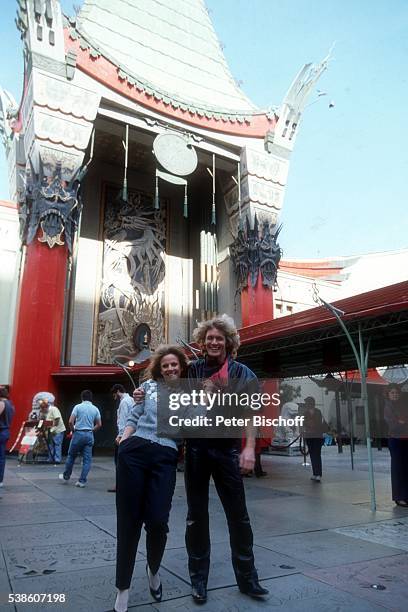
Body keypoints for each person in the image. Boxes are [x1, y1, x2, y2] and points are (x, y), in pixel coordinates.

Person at [185, 314, 269, 603]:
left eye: (219, 338)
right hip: (195, 449)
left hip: (226, 450)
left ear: (228, 342)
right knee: (196, 517)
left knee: (239, 517)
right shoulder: (192, 369)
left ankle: (248, 579)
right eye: (209, 338)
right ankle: (198, 580)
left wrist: (248, 448)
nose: (213, 341)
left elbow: (250, 414)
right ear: (202, 341)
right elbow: (164, 379)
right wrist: (142, 392)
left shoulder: (242, 373)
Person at [114, 345, 198, 612]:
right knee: (128, 522)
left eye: (174, 365)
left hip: (165, 455)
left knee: (159, 521)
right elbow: (134, 416)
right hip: (135, 450)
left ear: (181, 367)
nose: (171, 369)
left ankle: (153, 569)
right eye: (165, 365)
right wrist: (123, 441)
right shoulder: (148, 388)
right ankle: (122, 588)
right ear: (159, 369)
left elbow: (197, 422)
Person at [58, 390, 101, 487]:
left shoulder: (77, 407)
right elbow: (99, 424)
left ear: (82, 397)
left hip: (78, 434)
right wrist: (91, 431)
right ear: (91, 398)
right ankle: (82, 481)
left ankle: (66, 476)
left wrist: (73, 431)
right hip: (89, 435)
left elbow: (70, 422)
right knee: (87, 460)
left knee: (71, 456)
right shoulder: (95, 409)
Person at [384, 384, 408, 507]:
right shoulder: (388, 406)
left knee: (406, 468)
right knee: (398, 469)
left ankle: (406, 495)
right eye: (392, 392)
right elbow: (393, 425)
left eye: (397, 392)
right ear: (388, 394)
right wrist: (401, 422)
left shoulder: (403, 404)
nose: (395, 394)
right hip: (396, 440)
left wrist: (401, 421)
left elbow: (404, 421)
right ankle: (399, 497)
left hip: (406, 439)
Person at [107, 384, 134, 493]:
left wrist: (120, 436)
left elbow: (123, 420)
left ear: (118, 391)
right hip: (133, 435)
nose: (114, 397)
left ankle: (120, 485)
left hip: (125, 436)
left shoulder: (124, 402)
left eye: (114, 394)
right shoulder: (131, 399)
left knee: (119, 462)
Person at [303, 396, 327, 482]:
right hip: (309, 436)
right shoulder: (305, 413)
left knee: (317, 454)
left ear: (311, 403)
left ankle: (318, 474)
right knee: (312, 455)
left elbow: (319, 423)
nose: (306, 404)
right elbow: (303, 422)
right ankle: (314, 473)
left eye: (307, 402)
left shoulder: (318, 412)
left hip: (317, 436)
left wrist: (312, 425)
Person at [0, 387, 15, 488]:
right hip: (6, 431)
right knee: (1, 457)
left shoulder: (1, 403)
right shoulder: (11, 405)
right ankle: (0, 480)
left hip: (0, 430)